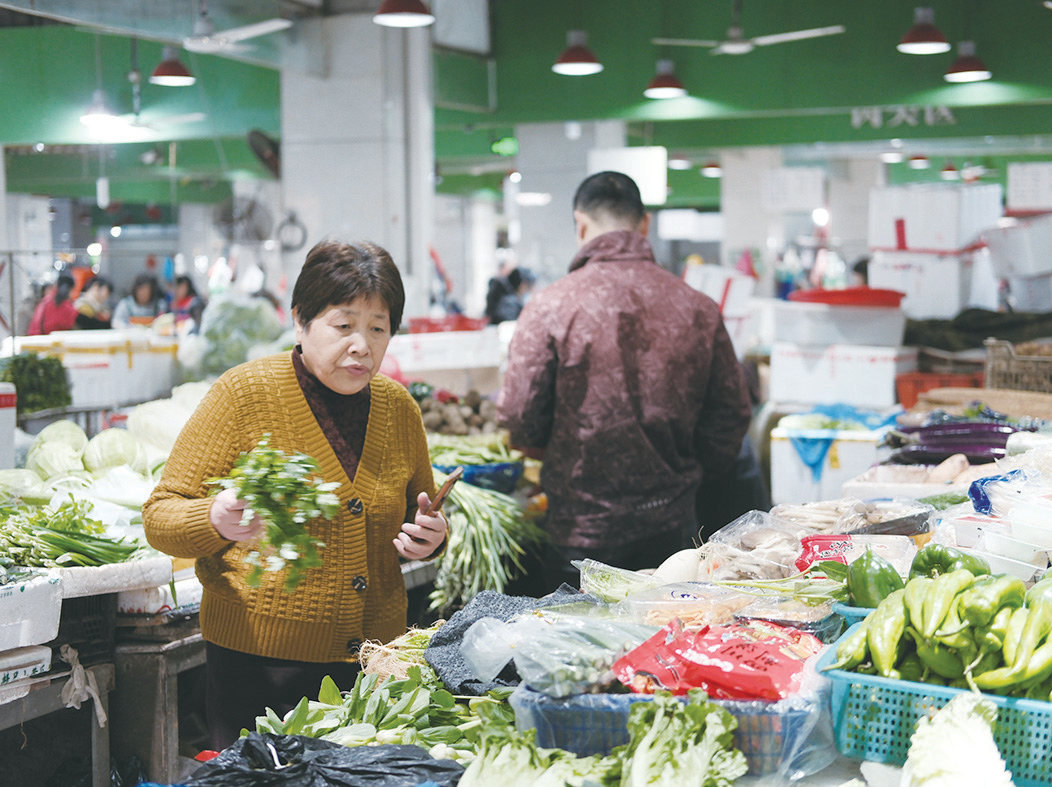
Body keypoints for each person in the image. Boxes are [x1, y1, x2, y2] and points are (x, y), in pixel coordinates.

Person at [141, 240, 447, 751]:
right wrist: (214, 518)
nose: (362, 345)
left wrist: (431, 537)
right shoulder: (244, 395)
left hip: (376, 665)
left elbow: (424, 511)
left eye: (378, 328)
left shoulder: (398, 408)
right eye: (343, 325)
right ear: (301, 320)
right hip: (260, 668)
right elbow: (159, 515)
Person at [497, 171, 753, 592]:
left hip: (581, 529)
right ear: (644, 223)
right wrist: (688, 472)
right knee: (670, 646)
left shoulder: (549, 306)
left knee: (580, 651)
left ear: (580, 223)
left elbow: (519, 415)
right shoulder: (697, 307)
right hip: (675, 527)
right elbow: (732, 412)